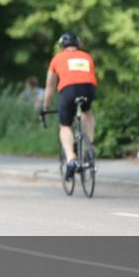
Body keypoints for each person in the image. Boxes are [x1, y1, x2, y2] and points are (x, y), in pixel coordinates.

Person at [42, 32, 98, 182]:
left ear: (61, 46)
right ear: (78, 44)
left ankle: (71, 159)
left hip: (69, 90)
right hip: (88, 89)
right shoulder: (87, 57)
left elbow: (49, 87)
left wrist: (45, 107)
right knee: (86, 111)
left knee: (65, 126)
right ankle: (89, 145)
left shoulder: (57, 58)